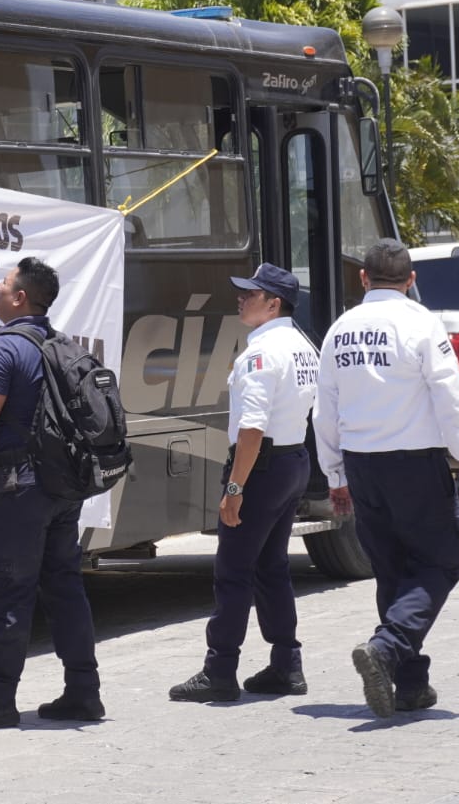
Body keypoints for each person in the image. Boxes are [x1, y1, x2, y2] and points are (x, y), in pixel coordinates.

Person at [311, 239, 459, 718]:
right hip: (415, 462)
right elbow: (450, 400)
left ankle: (411, 685)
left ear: (363, 279)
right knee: (442, 559)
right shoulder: (421, 323)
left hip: (361, 464)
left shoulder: (339, 330)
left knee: (393, 570)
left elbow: (323, 411)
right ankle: (387, 649)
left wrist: (334, 474)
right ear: (411, 281)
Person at [0, 257, 102, 729]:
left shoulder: (3, 348)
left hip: (18, 487)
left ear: (20, 298)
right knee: (65, 587)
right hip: (63, 486)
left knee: (8, 589)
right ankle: (83, 692)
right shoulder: (60, 344)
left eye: (4, 282)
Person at [169, 263, 318, 703]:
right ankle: (286, 665)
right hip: (293, 460)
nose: (241, 298)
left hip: (261, 468)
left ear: (273, 304)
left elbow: (251, 430)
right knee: (272, 567)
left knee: (233, 570)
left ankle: (220, 671)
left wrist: (234, 489)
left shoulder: (260, 353)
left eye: (250, 294)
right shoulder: (301, 345)